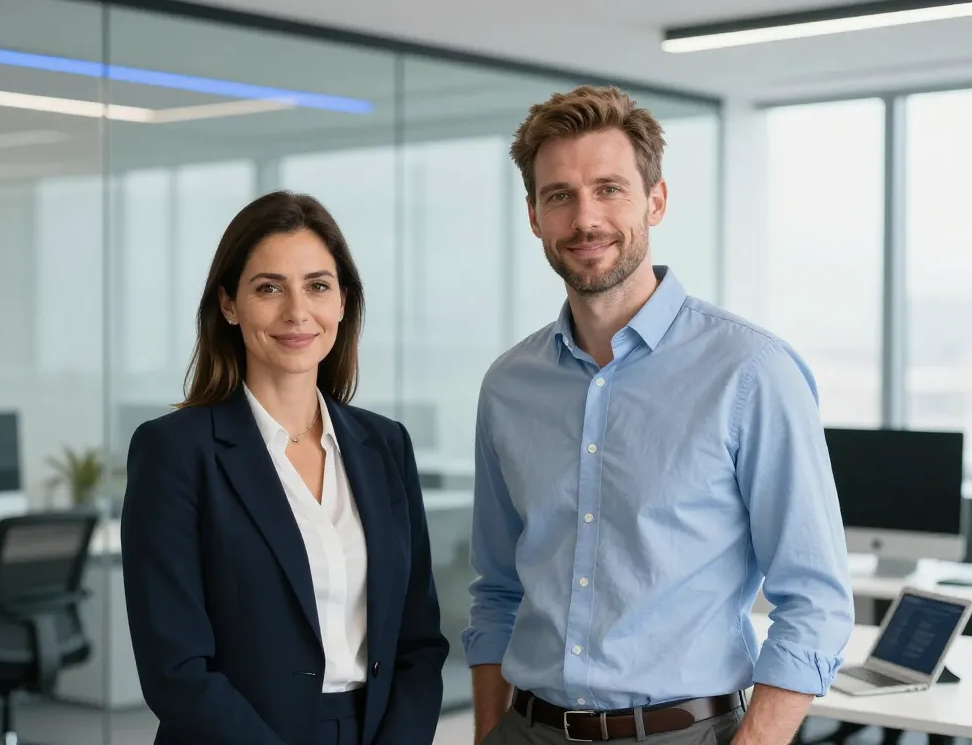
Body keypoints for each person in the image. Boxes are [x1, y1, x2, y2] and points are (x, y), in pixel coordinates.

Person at [463, 86, 855, 745]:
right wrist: (487, 732)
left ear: (656, 200)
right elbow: (498, 589)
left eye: (609, 188)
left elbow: (815, 598)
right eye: (559, 195)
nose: (586, 218)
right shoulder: (509, 386)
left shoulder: (749, 371)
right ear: (534, 216)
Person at [121, 190, 449, 745]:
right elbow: (175, 670)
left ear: (343, 302)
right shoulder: (175, 452)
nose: (297, 312)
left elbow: (418, 642)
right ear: (229, 305)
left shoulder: (385, 445)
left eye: (317, 286)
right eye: (269, 288)